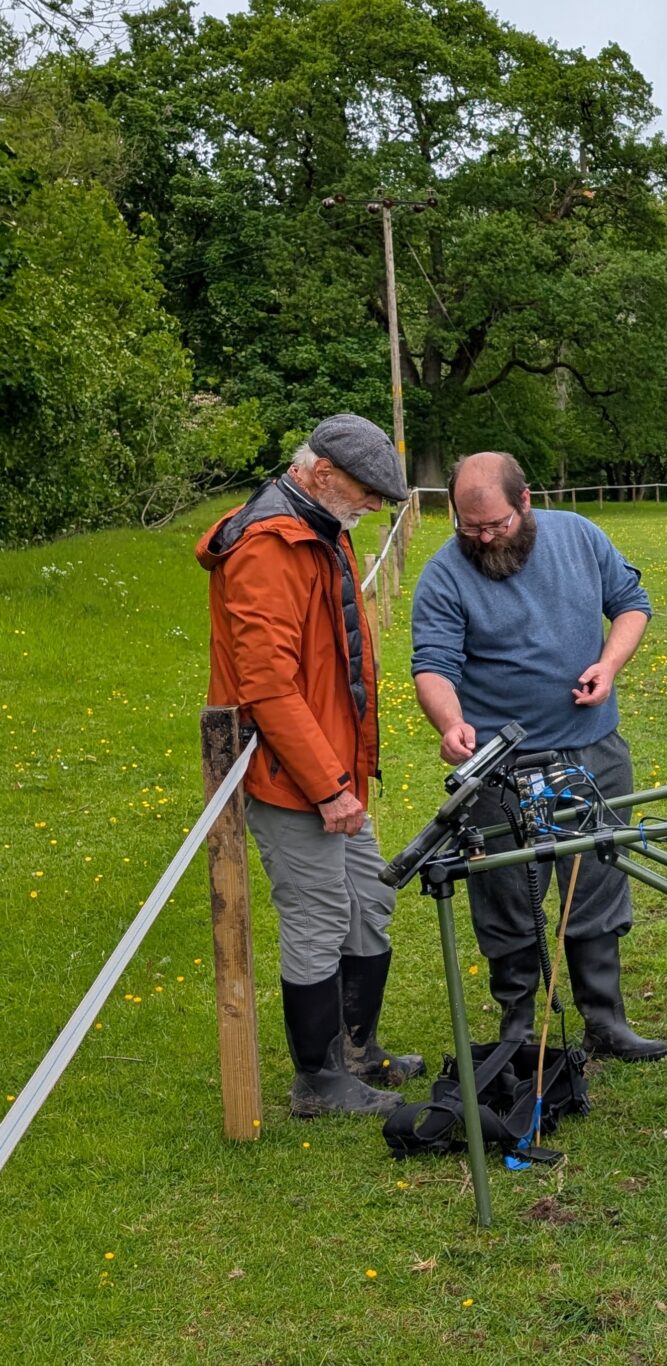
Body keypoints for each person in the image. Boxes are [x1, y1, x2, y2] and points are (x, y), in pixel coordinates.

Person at [410, 451, 667, 1061]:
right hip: (500, 767)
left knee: (598, 878)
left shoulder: (580, 536)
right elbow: (433, 667)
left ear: (525, 502)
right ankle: (519, 1029)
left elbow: (633, 603)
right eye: (469, 528)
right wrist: (451, 724)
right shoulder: (445, 575)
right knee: (505, 893)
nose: (483, 538)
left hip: (592, 749)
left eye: (494, 525)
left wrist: (607, 665)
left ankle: (605, 1021)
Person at [196, 414, 418, 1118]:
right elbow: (268, 685)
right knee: (319, 913)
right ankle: (318, 1083)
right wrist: (327, 786)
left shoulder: (320, 527)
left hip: (329, 766)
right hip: (291, 776)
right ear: (321, 473)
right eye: (367, 490)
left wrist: (344, 775)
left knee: (370, 900)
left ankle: (358, 1051)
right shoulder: (270, 543)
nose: (376, 507)